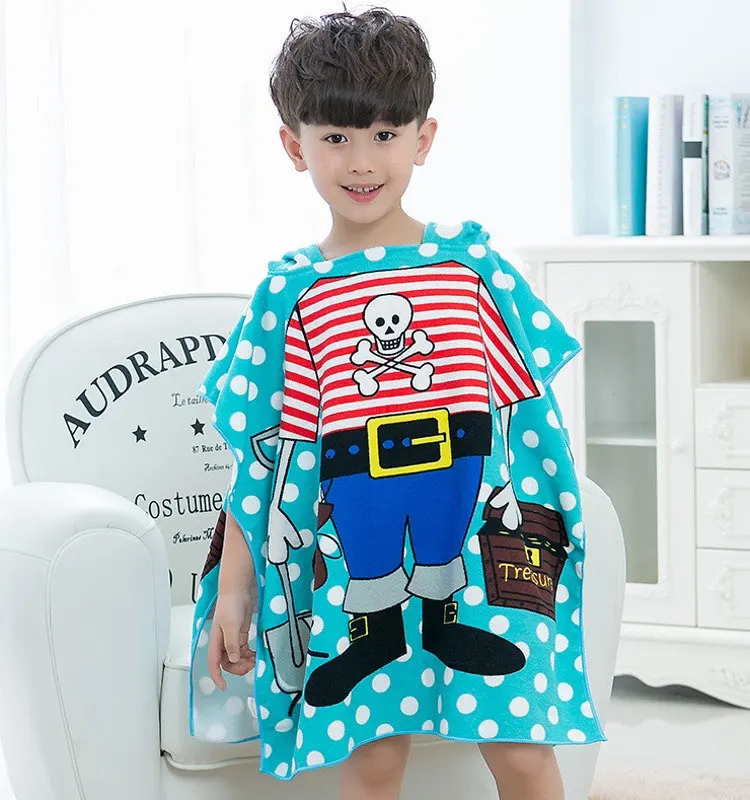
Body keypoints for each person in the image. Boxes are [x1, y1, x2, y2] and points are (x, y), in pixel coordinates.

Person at [188, 7, 605, 800]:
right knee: (374, 758)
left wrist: (532, 520)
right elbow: (262, 452)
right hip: (353, 507)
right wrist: (235, 586)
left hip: (473, 522)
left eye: (385, 133)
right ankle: (374, 639)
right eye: (335, 137)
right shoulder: (290, 291)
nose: (361, 161)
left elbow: (528, 417)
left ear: (423, 137)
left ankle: (452, 628)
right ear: (294, 146)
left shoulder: (472, 267)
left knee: (521, 748)